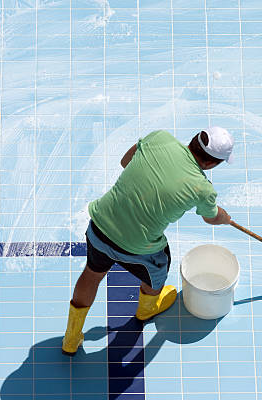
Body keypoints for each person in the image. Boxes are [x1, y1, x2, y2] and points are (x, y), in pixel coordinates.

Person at [62, 126, 234, 356]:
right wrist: (224, 217)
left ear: (195, 139)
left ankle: (71, 338)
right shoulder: (202, 189)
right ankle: (146, 310)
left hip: (100, 225)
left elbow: (126, 161)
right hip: (137, 247)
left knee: (92, 274)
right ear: (211, 164)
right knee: (161, 266)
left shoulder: (159, 138)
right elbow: (211, 217)